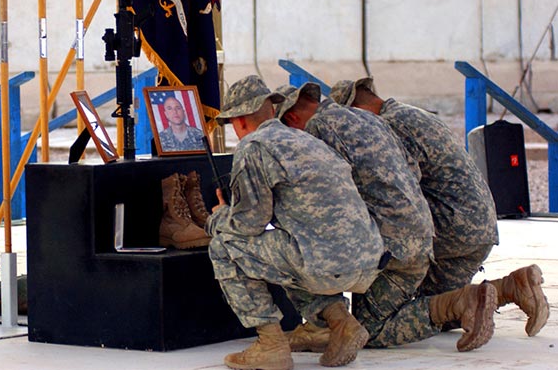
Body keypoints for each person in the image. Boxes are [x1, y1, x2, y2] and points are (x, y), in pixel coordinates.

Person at [276, 82, 497, 352]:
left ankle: (320, 324)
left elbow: (328, 197)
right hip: (463, 230)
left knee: (366, 328)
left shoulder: (327, 127)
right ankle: (509, 287)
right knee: (438, 313)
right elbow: (410, 174)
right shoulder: (389, 118)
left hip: (443, 231)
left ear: (291, 118)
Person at [329, 77, 549, 337]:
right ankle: (511, 287)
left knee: (370, 327)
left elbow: (396, 195)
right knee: (446, 311)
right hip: (478, 228)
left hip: (451, 226)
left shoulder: (388, 126)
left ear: (357, 111)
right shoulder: (410, 113)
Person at [205, 75, 387, 369]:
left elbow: (249, 223)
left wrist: (217, 218)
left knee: (224, 246)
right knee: (290, 250)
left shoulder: (254, 146)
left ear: (239, 121)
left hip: (325, 264)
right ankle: (342, 324)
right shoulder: (307, 139)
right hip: (367, 260)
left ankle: (270, 344)